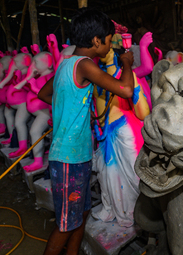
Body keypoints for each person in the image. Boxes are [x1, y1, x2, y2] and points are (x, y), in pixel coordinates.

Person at [38, 8, 134, 255]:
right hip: (69, 157)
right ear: (95, 41)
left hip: (75, 155)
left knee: (81, 215)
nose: (110, 46)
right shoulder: (86, 65)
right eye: (109, 41)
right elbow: (125, 90)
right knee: (65, 224)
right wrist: (126, 64)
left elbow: (44, 93)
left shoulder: (67, 62)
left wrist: (71, 108)